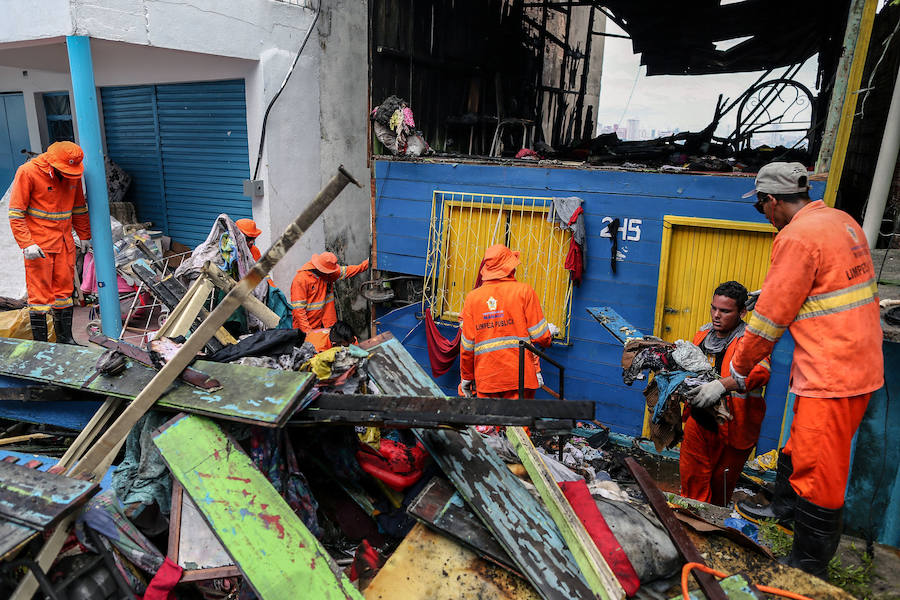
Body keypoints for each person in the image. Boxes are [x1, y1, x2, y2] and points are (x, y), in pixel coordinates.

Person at [690, 162, 883, 578]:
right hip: (847, 362)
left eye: (762, 209)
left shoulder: (796, 237)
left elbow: (767, 324)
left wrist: (735, 372)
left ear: (773, 201)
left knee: (820, 473)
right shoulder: (838, 221)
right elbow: (824, 286)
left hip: (835, 373)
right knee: (798, 446)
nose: (766, 216)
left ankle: (807, 567)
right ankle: (783, 506)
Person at [680, 281, 771, 506]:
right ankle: (690, 524)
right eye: (714, 308)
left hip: (736, 428)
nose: (716, 315)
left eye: (725, 311)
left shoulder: (751, 341)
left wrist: (722, 385)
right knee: (693, 484)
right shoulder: (702, 334)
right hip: (700, 420)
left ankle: (710, 525)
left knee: (720, 488)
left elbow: (760, 373)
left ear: (742, 312)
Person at [8, 141, 91, 344]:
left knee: (64, 293)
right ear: (52, 164)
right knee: (39, 297)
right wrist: (26, 244)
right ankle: (41, 345)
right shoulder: (27, 172)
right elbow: (16, 213)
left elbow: (79, 208)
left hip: (64, 242)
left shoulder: (72, 175)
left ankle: (66, 339)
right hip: (39, 246)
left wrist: (84, 235)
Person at [459, 244, 557, 398]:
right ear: (510, 268)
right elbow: (541, 337)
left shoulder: (472, 299)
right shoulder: (524, 292)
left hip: (487, 379)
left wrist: (466, 377)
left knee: (490, 422)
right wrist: (548, 337)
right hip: (520, 377)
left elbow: (467, 347)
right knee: (519, 422)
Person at [290, 252, 369, 332]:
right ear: (322, 270)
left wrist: (368, 263)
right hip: (307, 328)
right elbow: (298, 310)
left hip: (326, 324)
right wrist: (308, 332)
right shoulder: (301, 280)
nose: (332, 273)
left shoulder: (327, 273)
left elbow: (347, 271)